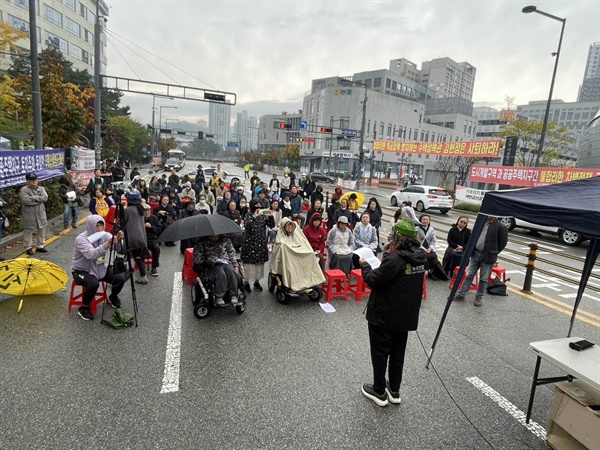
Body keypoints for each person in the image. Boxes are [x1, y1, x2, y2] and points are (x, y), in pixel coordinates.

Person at [359, 218, 427, 407]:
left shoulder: (395, 259)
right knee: (398, 353)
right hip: (406, 315)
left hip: (384, 315)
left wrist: (364, 264)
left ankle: (379, 390)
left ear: (398, 237)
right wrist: (389, 254)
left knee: (380, 352)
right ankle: (394, 390)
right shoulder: (420, 256)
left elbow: (374, 279)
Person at [71, 215, 128, 320]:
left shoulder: (105, 235)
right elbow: (91, 254)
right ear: (90, 226)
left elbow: (117, 248)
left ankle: (113, 296)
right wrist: (106, 244)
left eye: (102, 226)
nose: (100, 229)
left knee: (120, 278)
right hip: (82, 270)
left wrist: (119, 240)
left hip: (99, 267)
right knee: (93, 284)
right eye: (97, 226)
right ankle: (84, 308)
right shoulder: (81, 239)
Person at [454, 216, 508, 307]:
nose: (489, 214)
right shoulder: (481, 222)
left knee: (483, 278)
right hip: (475, 253)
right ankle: (461, 294)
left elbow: (502, 243)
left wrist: (494, 252)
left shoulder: (500, 226)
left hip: (488, 256)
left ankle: (479, 297)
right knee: (469, 274)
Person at [193, 235, 240, 306]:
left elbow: (232, 253)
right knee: (220, 273)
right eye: (211, 236)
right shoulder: (202, 242)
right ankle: (219, 296)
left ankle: (234, 294)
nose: (213, 238)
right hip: (211, 265)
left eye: (215, 236)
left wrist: (236, 265)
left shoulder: (226, 241)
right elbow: (196, 257)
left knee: (231, 271)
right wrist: (205, 261)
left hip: (225, 262)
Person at [241, 198, 274, 292]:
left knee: (259, 265)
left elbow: (271, 225)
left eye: (260, 205)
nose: (258, 207)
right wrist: (254, 217)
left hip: (260, 243)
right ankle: (246, 282)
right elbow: (247, 226)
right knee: (249, 265)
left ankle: (257, 281)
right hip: (249, 243)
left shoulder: (263, 215)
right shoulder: (248, 215)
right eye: (256, 205)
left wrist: (270, 216)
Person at [123, 190, 150, 284]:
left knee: (135, 256)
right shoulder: (140, 208)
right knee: (139, 256)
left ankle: (142, 277)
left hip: (133, 237)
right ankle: (143, 276)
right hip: (141, 236)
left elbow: (121, 223)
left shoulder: (127, 210)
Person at [20, 172, 49, 255]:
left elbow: (45, 198)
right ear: (27, 181)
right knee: (28, 230)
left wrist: (32, 197)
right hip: (29, 213)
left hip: (40, 212)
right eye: (31, 180)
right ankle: (28, 247)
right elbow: (26, 201)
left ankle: (39, 245)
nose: (34, 181)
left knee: (42, 228)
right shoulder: (24, 190)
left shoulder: (41, 189)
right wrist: (39, 200)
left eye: (35, 179)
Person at [417, 214, 448, 281]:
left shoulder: (431, 229)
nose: (425, 221)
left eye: (427, 219)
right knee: (426, 256)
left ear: (429, 221)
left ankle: (431, 272)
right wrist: (424, 249)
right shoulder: (417, 229)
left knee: (433, 256)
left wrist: (430, 248)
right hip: (420, 247)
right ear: (420, 220)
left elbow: (433, 240)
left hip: (429, 248)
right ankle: (422, 272)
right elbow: (416, 240)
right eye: (424, 219)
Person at [142, 203, 161, 276]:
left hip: (152, 238)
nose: (147, 212)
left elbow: (159, 229)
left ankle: (154, 267)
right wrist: (143, 227)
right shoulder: (139, 219)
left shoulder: (154, 218)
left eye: (148, 210)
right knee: (138, 249)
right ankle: (141, 267)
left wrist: (151, 227)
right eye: (145, 210)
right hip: (142, 238)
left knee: (156, 248)